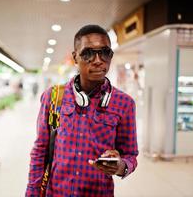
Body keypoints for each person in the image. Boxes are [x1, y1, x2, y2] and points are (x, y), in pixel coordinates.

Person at [26, 25, 138, 196]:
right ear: (75, 57)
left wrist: (120, 166)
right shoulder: (53, 97)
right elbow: (40, 150)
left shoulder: (124, 104)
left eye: (105, 53)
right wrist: (32, 192)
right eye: (88, 53)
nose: (98, 60)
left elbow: (130, 155)